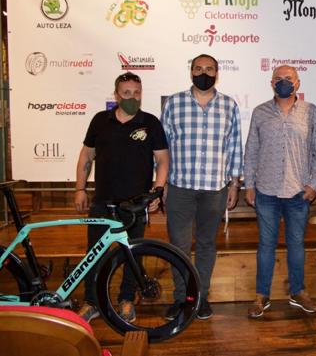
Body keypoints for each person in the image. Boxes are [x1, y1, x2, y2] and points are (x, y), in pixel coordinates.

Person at [75, 72, 169, 323]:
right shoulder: (100, 120)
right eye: (126, 93)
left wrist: (158, 191)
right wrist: (80, 189)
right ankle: (91, 302)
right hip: (102, 201)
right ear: (116, 95)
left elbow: (162, 159)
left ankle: (126, 299)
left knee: (132, 253)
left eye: (136, 93)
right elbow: (86, 156)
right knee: (94, 254)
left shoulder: (150, 123)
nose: (132, 97)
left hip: (135, 205)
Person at [161, 54, 243, 320]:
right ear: (191, 72)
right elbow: (163, 149)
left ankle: (200, 297)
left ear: (217, 73)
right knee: (179, 246)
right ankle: (181, 298)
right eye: (198, 68)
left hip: (215, 188)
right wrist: (161, 184)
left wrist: (234, 184)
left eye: (209, 69)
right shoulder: (174, 103)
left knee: (207, 244)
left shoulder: (229, 105)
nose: (203, 73)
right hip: (179, 187)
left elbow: (234, 148)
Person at [244, 65, 316, 319]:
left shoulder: (311, 112)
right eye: (278, 79)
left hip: (298, 192)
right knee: (265, 245)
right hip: (266, 191)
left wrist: (314, 183)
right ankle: (261, 295)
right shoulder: (260, 112)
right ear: (271, 83)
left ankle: (298, 292)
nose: (283, 82)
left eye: (288, 79)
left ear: (297, 83)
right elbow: (251, 151)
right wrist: (249, 184)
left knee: (296, 244)